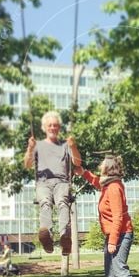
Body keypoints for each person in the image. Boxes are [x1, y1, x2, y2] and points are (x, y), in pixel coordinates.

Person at [75, 156, 139, 277]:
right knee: (110, 274)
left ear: (107, 169)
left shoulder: (114, 188)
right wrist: (83, 172)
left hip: (121, 234)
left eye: (101, 166)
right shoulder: (107, 185)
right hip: (113, 235)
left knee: (120, 270)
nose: (99, 168)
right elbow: (95, 181)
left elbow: (118, 218)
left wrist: (113, 241)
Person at [23, 111, 82, 259]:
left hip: (62, 181)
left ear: (59, 128)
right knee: (45, 203)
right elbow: (27, 164)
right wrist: (30, 149)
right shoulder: (38, 145)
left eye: (55, 125)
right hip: (43, 182)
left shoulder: (65, 145)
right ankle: (46, 235)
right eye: (50, 125)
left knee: (63, 202)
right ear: (44, 127)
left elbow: (77, 163)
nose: (53, 127)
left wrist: (73, 147)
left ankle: (65, 237)